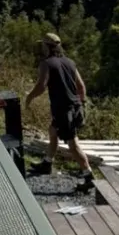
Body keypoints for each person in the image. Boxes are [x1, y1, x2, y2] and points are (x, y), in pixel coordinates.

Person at [25, 32, 94, 192]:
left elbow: (42, 86)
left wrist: (29, 97)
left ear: (47, 47)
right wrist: (81, 103)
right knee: (53, 131)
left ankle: (88, 176)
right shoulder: (70, 62)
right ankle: (47, 163)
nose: (41, 47)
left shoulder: (46, 63)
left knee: (73, 145)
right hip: (75, 107)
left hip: (63, 110)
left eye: (43, 44)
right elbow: (81, 86)